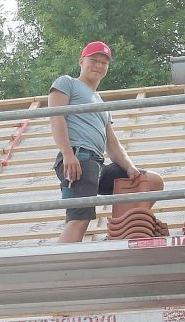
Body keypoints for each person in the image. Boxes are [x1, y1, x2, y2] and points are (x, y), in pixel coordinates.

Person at [51, 41, 143, 243]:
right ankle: (60, 270)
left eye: (104, 62)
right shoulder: (67, 83)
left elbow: (113, 144)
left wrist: (130, 168)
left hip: (97, 163)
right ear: (81, 61)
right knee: (79, 219)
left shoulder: (101, 102)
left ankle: (120, 234)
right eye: (94, 60)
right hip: (79, 158)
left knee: (147, 182)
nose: (99, 66)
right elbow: (56, 117)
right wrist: (68, 154)